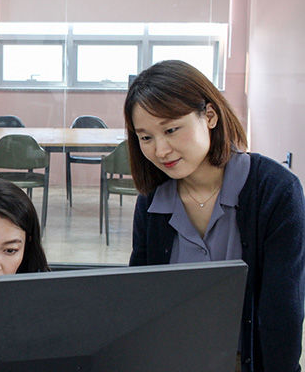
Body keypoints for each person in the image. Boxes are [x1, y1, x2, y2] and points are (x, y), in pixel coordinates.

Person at [124, 60, 305, 372]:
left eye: (170, 129)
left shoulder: (276, 190)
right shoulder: (152, 202)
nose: (161, 149)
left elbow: (283, 310)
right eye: (146, 137)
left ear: (209, 116)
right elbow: (142, 300)